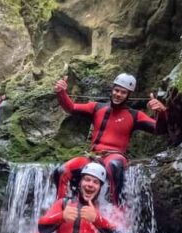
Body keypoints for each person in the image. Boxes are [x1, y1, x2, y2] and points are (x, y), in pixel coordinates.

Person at [53, 73, 168, 204]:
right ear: (112, 90)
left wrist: (162, 113)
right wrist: (61, 92)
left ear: (128, 95)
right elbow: (71, 108)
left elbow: (160, 129)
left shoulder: (135, 115)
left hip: (114, 156)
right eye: (116, 90)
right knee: (62, 170)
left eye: (123, 92)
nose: (118, 94)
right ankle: (60, 205)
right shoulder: (97, 107)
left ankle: (117, 208)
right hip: (92, 156)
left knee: (114, 166)